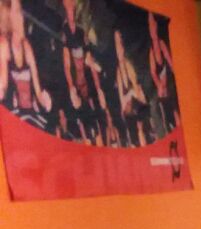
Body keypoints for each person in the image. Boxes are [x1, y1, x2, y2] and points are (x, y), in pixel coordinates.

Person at [60, 0, 109, 144]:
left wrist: (99, 89)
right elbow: (67, 66)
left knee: (95, 114)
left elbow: (91, 64)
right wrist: (72, 88)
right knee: (84, 116)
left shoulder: (81, 35)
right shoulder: (67, 37)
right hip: (78, 87)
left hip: (86, 84)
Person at [1, 0, 53, 130]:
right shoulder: (4, 46)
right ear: (9, 18)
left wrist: (44, 100)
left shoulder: (27, 47)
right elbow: (3, 87)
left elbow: (38, 91)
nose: (22, 17)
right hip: (15, 119)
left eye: (21, 12)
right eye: (17, 12)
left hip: (33, 117)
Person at [111, 28, 147, 146]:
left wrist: (130, 97)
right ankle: (133, 143)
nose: (119, 49)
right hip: (130, 103)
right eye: (117, 46)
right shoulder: (118, 71)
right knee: (125, 114)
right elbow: (122, 98)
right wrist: (127, 102)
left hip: (136, 100)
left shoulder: (128, 64)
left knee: (137, 108)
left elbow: (136, 90)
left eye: (119, 44)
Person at [145, 11, 174, 137]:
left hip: (166, 74)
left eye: (153, 26)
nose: (153, 30)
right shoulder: (151, 50)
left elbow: (169, 59)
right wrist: (159, 85)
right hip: (160, 81)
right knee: (158, 101)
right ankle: (165, 128)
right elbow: (153, 72)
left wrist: (172, 74)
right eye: (150, 28)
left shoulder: (161, 43)